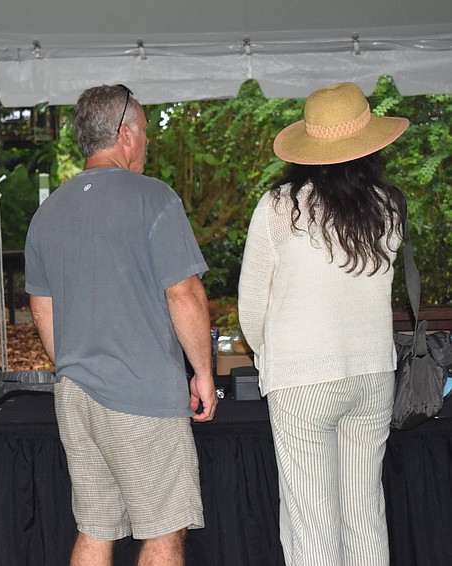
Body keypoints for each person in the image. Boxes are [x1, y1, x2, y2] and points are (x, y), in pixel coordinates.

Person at [25, 84, 217, 566]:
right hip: (141, 395)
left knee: (96, 527)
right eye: (146, 133)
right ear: (125, 134)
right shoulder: (154, 198)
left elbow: (41, 307)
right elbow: (185, 293)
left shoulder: (47, 214)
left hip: (75, 395)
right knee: (164, 531)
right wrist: (204, 373)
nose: (147, 144)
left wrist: (73, 364)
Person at [238, 82, 409, 566]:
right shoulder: (389, 206)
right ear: (370, 143)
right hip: (373, 373)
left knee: (311, 519)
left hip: (302, 378)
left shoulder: (281, 206)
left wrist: (271, 356)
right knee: (364, 511)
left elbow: (252, 305)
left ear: (309, 148)